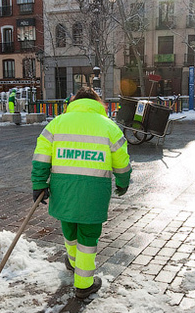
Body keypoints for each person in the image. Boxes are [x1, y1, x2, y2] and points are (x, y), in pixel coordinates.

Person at [31, 86, 131, 300]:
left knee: (69, 225)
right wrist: (123, 183)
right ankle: (84, 284)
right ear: (98, 102)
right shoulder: (109, 127)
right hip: (94, 192)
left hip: (63, 188)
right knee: (88, 235)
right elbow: (122, 162)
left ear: (74, 101)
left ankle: (73, 261)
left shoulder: (56, 124)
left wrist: (39, 183)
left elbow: (41, 156)